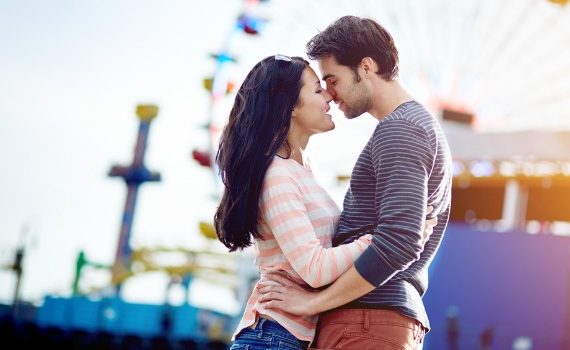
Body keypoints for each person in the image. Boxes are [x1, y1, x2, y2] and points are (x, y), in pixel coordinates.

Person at [213, 54, 437, 350]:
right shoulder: (277, 175)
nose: (329, 97)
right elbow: (315, 268)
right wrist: (385, 239)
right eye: (318, 90)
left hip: (290, 337)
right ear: (291, 105)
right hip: (272, 336)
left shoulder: (302, 171)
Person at [258, 16, 453, 350]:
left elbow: (401, 242)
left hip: (367, 320)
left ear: (365, 66)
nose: (330, 95)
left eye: (332, 80)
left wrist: (311, 303)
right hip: (370, 320)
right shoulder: (410, 127)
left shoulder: (401, 130)